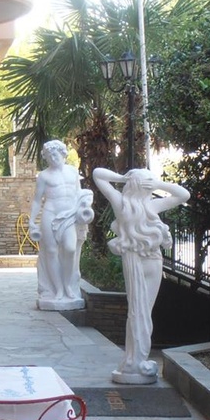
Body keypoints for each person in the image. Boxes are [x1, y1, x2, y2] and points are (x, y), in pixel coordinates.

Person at [93, 167, 190, 383]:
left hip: (144, 260)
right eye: (149, 183)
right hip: (142, 260)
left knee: (140, 311)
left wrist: (126, 179)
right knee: (140, 311)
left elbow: (98, 174)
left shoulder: (124, 203)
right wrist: (136, 180)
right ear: (144, 186)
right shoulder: (143, 205)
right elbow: (183, 194)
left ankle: (134, 360)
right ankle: (135, 361)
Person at [28, 140, 94, 310]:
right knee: (51, 251)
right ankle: (57, 290)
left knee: (70, 249)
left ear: (63, 154)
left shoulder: (72, 172)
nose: (53, 158)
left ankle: (68, 286)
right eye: (49, 156)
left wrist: (84, 207)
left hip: (69, 216)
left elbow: (79, 194)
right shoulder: (44, 176)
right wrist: (32, 220)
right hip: (50, 213)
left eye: (55, 154)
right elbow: (37, 200)